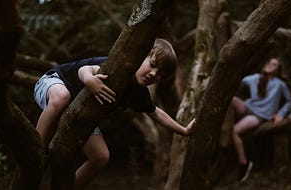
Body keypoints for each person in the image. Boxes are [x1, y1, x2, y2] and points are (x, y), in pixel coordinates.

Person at [34, 38, 196, 190]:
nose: (154, 73)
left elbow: (156, 113)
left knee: (101, 156)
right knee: (62, 97)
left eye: (160, 73)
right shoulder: (119, 67)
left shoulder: (139, 93)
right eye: (152, 64)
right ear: (141, 56)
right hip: (53, 83)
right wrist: (90, 80)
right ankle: (36, 149)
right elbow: (85, 69)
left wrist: (183, 130)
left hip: (79, 116)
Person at [230, 57, 291, 183]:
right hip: (247, 108)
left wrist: (280, 114)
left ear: (278, 70)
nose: (270, 65)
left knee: (235, 131)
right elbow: (238, 81)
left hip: (260, 115)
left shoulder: (280, 84)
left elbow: (290, 100)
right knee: (230, 99)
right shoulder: (255, 78)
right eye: (269, 62)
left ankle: (244, 162)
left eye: (274, 64)